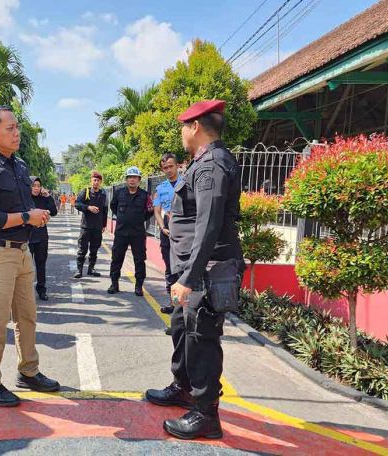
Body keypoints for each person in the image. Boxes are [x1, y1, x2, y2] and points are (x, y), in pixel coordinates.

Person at [145, 100, 244, 440]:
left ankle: (206, 415)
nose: (182, 132)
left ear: (196, 127)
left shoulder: (213, 164)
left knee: (201, 338)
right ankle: (183, 387)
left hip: (206, 269)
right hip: (191, 268)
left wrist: (189, 277)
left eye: (184, 126)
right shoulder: (201, 162)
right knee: (181, 329)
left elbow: (209, 225)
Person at [0, 105, 60, 407]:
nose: (17, 132)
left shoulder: (18, 165)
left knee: (27, 316)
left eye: (17, 126)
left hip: (21, 252)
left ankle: (29, 372)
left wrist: (36, 215)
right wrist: (25, 216)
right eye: (10, 128)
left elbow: (24, 206)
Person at [108, 166, 153, 296]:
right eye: (129, 177)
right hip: (121, 232)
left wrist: (138, 219)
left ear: (139, 180)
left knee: (139, 260)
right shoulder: (119, 193)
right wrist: (124, 218)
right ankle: (114, 284)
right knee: (116, 258)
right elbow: (113, 207)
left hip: (137, 233)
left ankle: (138, 286)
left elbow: (149, 211)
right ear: (126, 179)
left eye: (135, 177)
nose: (132, 180)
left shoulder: (145, 195)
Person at [153, 153, 182, 333]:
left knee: (181, 272)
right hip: (166, 233)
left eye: (171, 166)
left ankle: (180, 317)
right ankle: (173, 305)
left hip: (184, 235)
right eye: (165, 168)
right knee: (170, 271)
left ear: (177, 165)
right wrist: (163, 228)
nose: (169, 170)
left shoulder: (186, 183)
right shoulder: (160, 188)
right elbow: (157, 211)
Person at [74, 171, 107, 279]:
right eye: (94, 180)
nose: (96, 182)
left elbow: (105, 210)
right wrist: (88, 207)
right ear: (91, 181)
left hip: (97, 227)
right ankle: (79, 270)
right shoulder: (85, 191)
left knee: (94, 249)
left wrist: (104, 225)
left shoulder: (103, 194)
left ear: (101, 182)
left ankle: (91, 269)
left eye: (98, 180)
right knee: (82, 249)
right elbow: (77, 204)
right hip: (86, 226)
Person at [29, 176, 58, 300]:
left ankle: (41, 290)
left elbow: (54, 211)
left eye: (38, 186)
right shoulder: (24, 198)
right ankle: (26, 292)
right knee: (26, 268)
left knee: (41, 265)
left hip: (41, 237)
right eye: (33, 185)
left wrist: (48, 196)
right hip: (27, 237)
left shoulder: (43, 198)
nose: (36, 188)